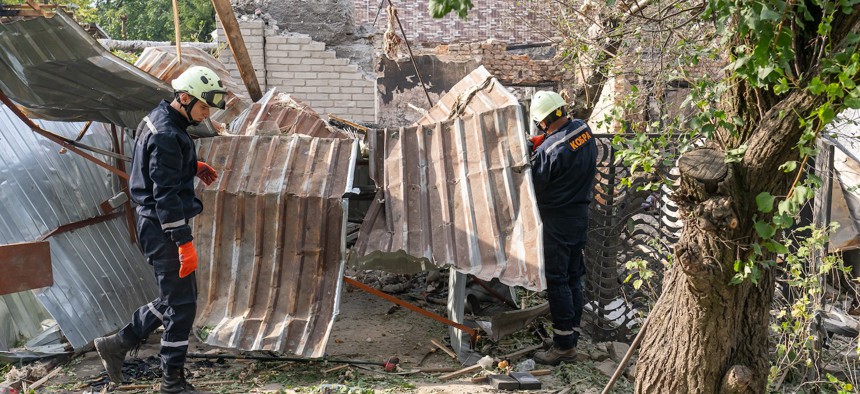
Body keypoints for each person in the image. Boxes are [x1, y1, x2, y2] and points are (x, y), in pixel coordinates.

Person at [94, 66, 227, 393]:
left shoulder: (160, 118)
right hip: (161, 227)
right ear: (184, 97)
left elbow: (152, 165)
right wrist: (183, 243)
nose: (206, 113)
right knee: (181, 306)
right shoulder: (169, 134)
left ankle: (118, 343)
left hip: (154, 223)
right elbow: (165, 195)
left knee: (179, 298)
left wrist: (191, 165)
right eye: (204, 106)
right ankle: (171, 381)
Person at [528, 91, 597, 365]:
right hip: (580, 215)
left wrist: (534, 151)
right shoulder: (584, 129)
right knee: (573, 277)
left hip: (556, 221)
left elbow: (534, 186)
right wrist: (543, 142)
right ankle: (572, 336)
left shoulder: (548, 152)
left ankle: (563, 347)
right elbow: (564, 142)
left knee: (557, 281)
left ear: (543, 121)